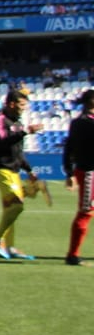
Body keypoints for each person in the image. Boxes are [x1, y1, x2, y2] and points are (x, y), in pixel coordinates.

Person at [0, 90, 44, 261]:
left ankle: (10, 247)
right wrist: (25, 131)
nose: (24, 108)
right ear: (11, 104)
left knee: (10, 210)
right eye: (21, 105)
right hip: (2, 170)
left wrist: (29, 170)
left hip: (14, 171)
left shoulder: (17, 123)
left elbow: (18, 153)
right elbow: (3, 140)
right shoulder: (0, 121)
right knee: (17, 206)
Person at [63, 89, 94, 266]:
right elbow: (70, 148)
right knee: (86, 213)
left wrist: (69, 171)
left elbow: (68, 148)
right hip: (90, 172)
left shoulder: (78, 122)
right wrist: (69, 172)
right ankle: (73, 255)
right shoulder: (85, 123)